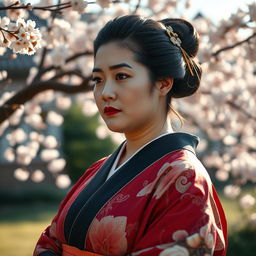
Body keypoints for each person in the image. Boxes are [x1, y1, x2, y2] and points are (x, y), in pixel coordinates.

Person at [34, 15, 227, 256]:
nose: (105, 93)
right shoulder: (99, 168)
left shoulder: (185, 179)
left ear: (164, 83)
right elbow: (51, 239)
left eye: (121, 76)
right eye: (97, 79)